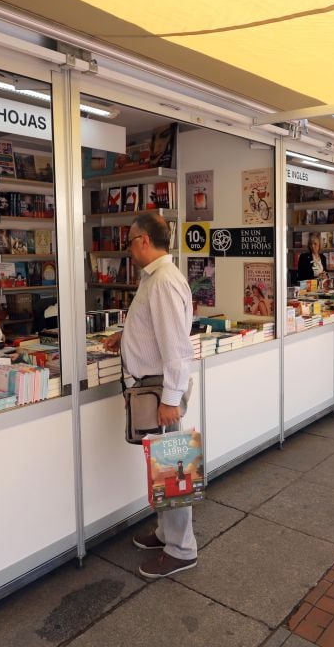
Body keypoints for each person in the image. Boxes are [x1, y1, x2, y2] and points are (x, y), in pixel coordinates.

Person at [103, 214, 196, 578]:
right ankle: (166, 532)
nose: (128, 248)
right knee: (163, 465)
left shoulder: (163, 282)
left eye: (130, 241)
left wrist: (171, 400)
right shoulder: (156, 279)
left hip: (161, 390)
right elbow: (153, 330)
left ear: (144, 241)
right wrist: (125, 338)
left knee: (172, 467)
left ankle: (182, 549)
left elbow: (177, 348)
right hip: (155, 387)